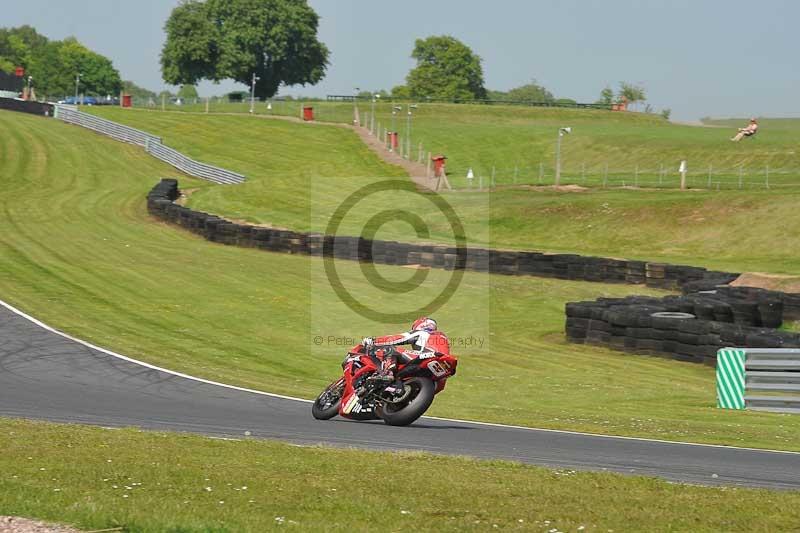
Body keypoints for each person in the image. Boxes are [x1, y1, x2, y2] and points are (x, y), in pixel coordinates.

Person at [362, 317, 449, 395]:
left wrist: (374, 341)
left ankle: (387, 374)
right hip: (439, 377)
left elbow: (398, 338)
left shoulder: (422, 333)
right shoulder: (443, 338)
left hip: (428, 358)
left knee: (391, 349)